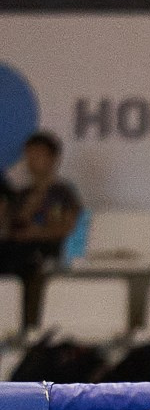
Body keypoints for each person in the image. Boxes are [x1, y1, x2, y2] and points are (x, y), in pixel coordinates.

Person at [1, 131, 82, 324]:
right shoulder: (21, 194)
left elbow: (66, 226)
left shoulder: (63, 193)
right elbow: (12, 224)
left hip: (44, 249)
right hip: (14, 248)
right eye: (29, 155)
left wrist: (37, 232)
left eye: (38, 155)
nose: (32, 160)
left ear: (53, 159)